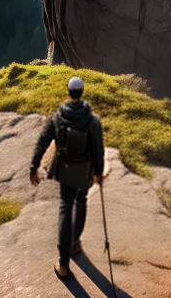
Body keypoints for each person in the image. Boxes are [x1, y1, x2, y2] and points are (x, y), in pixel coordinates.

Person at [29, 76, 106, 279]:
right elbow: (98, 149)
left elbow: (42, 142)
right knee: (81, 202)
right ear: (81, 93)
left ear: (69, 92)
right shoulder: (92, 121)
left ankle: (63, 264)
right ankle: (74, 244)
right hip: (84, 171)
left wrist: (33, 166)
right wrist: (98, 172)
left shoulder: (58, 117)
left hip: (65, 168)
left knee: (65, 206)